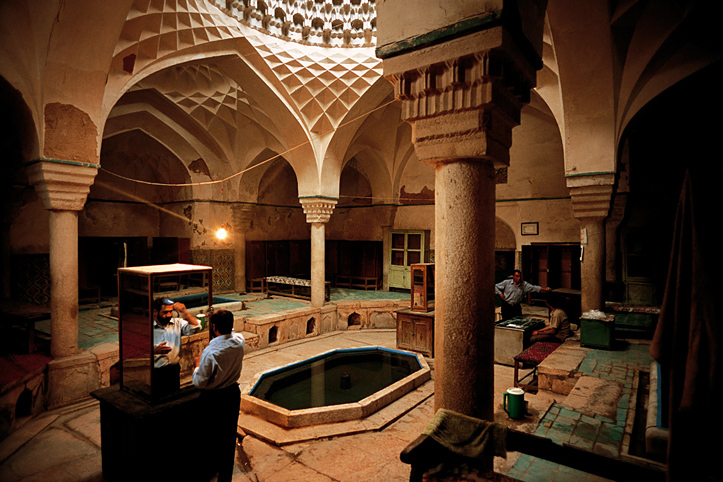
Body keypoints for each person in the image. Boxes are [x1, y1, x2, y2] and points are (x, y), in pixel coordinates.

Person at [193, 309, 246, 482]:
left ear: (214, 327)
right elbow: (231, 335)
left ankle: (206, 473)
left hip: (213, 398)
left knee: (208, 437)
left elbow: (200, 382)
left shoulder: (210, 352)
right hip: (232, 394)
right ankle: (225, 477)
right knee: (228, 437)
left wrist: (197, 365)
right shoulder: (239, 341)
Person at [153, 296, 201, 368]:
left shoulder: (177, 323)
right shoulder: (149, 328)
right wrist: (154, 351)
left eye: (170, 312)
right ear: (156, 312)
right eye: (165, 312)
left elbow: (195, 327)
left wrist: (185, 312)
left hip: (174, 369)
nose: (168, 315)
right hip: (156, 370)